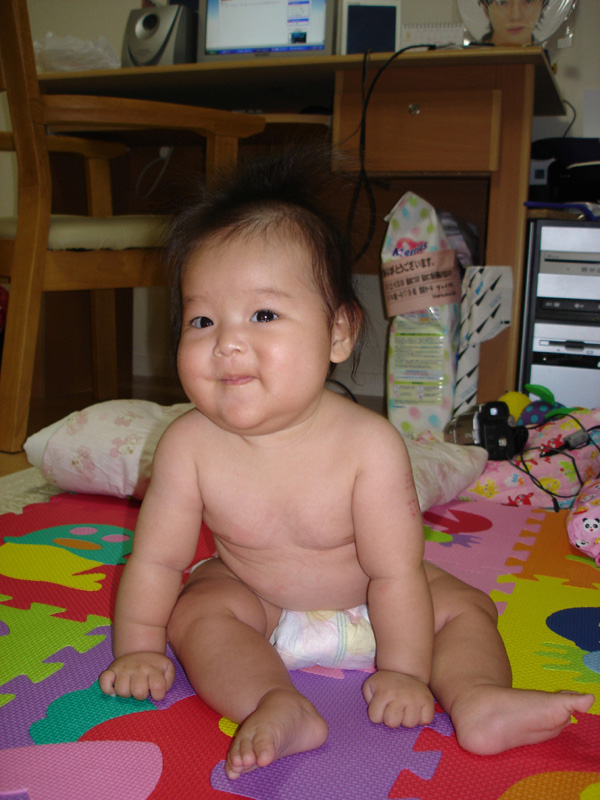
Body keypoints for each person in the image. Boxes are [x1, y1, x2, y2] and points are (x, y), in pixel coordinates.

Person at [99, 152, 594, 780]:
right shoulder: (186, 445)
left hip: (380, 608)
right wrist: (140, 649)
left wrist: (405, 671)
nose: (227, 341)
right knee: (197, 611)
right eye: (202, 320)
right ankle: (274, 702)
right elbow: (156, 562)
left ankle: (478, 696)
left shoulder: (370, 446)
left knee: (465, 607)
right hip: (260, 605)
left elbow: (395, 573)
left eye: (263, 315)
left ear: (338, 333)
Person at [479, 0, 549, 46]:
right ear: (485, 8)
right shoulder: (473, 59)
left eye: (528, 1)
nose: (516, 16)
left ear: (543, 6)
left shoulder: (547, 59)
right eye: (502, 2)